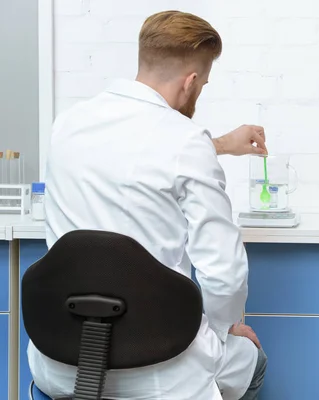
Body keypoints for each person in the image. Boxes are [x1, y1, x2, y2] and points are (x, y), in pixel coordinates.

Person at [28, 10, 267, 400]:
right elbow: (224, 275)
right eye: (203, 84)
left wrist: (219, 144)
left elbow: (136, 152)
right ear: (191, 83)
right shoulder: (184, 140)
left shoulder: (66, 124)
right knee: (252, 360)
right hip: (159, 373)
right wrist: (224, 330)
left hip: (60, 362)